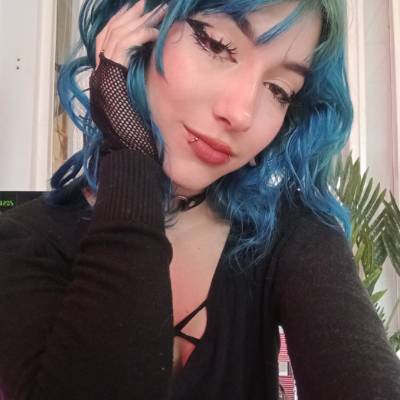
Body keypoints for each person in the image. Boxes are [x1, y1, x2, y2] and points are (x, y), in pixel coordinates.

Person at [0, 0, 399, 399]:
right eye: (216, 45)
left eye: (279, 90)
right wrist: (129, 148)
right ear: (136, 35)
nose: (241, 114)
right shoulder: (23, 241)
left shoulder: (292, 236)